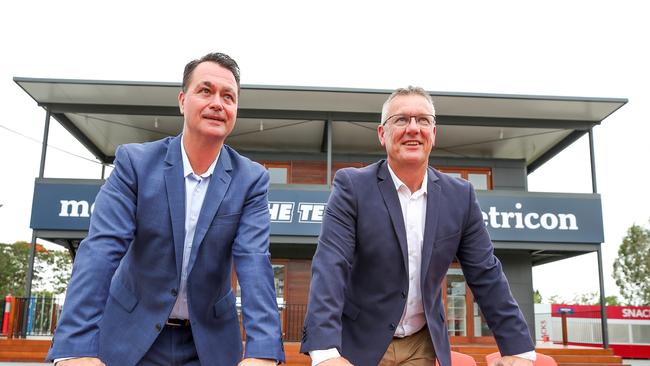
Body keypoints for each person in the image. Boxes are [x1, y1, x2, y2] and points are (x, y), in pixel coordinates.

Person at [47, 52, 284, 366]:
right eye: (206, 91)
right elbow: (101, 250)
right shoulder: (135, 164)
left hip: (209, 343)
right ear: (183, 101)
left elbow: (254, 262)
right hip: (132, 336)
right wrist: (74, 347)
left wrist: (263, 352)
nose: (218, 103)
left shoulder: (251, 179)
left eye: (229, 97)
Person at [300, 86, 535, 366]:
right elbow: (330, 265)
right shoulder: (352, 186)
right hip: (359, 342)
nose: (413, 128)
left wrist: (519, 350)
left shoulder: (461, 196)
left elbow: (486, 273)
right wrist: (325, 352)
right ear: (382, 134)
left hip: (421, 344)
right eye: (401, 120)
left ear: (433, 134)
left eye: (423, 120)